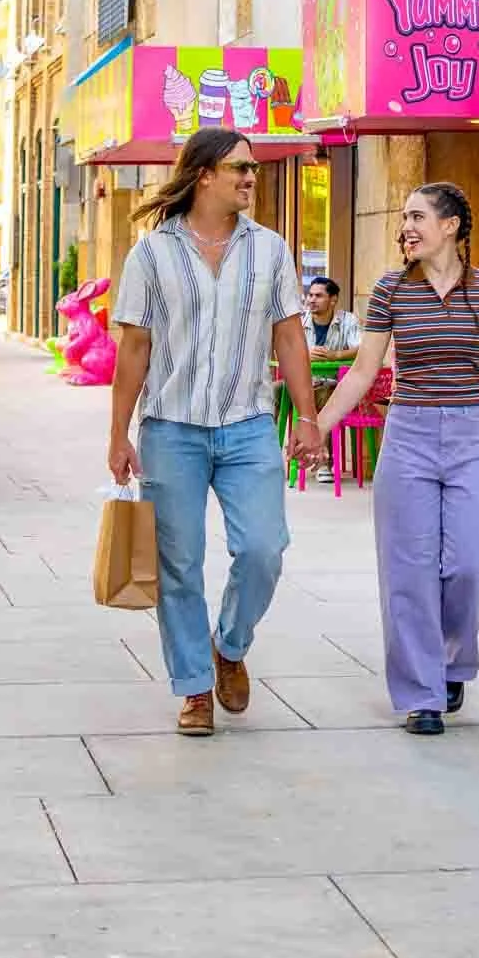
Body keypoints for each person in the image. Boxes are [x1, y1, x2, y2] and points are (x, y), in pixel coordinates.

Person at [315, 182, 479, 736]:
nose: (407, 227)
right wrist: (318, 427)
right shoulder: (390, 291)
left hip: (471, 435)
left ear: (450, 226)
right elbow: (361, 371)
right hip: (407, 434)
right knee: (409, 571)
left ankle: (451, 661)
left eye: (417, 217)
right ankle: (421, 693)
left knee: (473, 563)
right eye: (404, 217)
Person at [108, 127, 321, 737]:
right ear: (204, 175)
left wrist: (306, 416)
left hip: (248, 424)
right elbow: (134, 350)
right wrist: (118, 434)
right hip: (171, 429)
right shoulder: (151, 253)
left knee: (264, 548)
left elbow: (288, 336)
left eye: (252, 169)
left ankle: (229, 645)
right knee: (178, 565)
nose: (251, 178)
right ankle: (194, 688)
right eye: (240, 169)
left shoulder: (271, 250)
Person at [304, 277, 361, 355]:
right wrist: (304, 355)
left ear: (333, 300)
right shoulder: (298, 320)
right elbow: (283, 350)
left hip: (335, 367)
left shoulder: (349, 320)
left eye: (318, 296)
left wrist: (336, 355)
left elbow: (360, 350)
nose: (312, 300)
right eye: (310, 295)